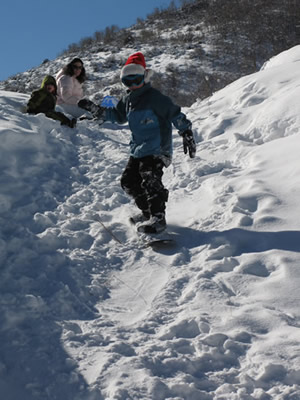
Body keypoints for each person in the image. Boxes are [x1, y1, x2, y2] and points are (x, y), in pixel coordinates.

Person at [95, 52, 196, 234]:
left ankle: (158, 218)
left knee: (150, 178)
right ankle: (148, 211)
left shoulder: (155, 98)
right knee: (128, 182)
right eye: (128, 81)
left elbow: (174, 113)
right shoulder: (127, 101)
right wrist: (99, 111)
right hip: (138, 150)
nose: (133, 85)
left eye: (137, 80)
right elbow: (118, 116)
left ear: (144, 77)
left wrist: (186, 130)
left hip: (157, 148)